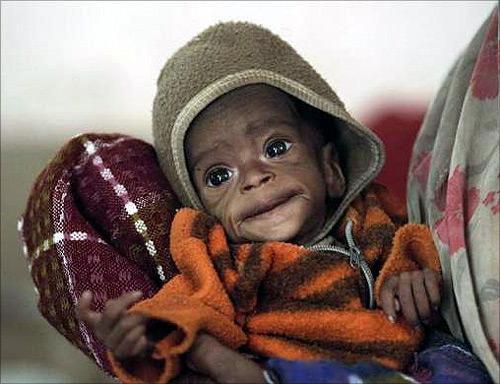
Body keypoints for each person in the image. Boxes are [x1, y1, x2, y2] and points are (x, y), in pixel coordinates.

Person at [77, 22, 442, 383]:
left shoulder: (369, 216)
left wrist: (409, 275)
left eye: (275, 148)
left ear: (330, 169)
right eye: (219, 176)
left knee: (453, 360)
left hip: (400, 363)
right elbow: (184, 305)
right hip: (289, 368)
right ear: (202, 207)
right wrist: (140, 336)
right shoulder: (226, 260)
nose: (253, 177)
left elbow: (415, 239)